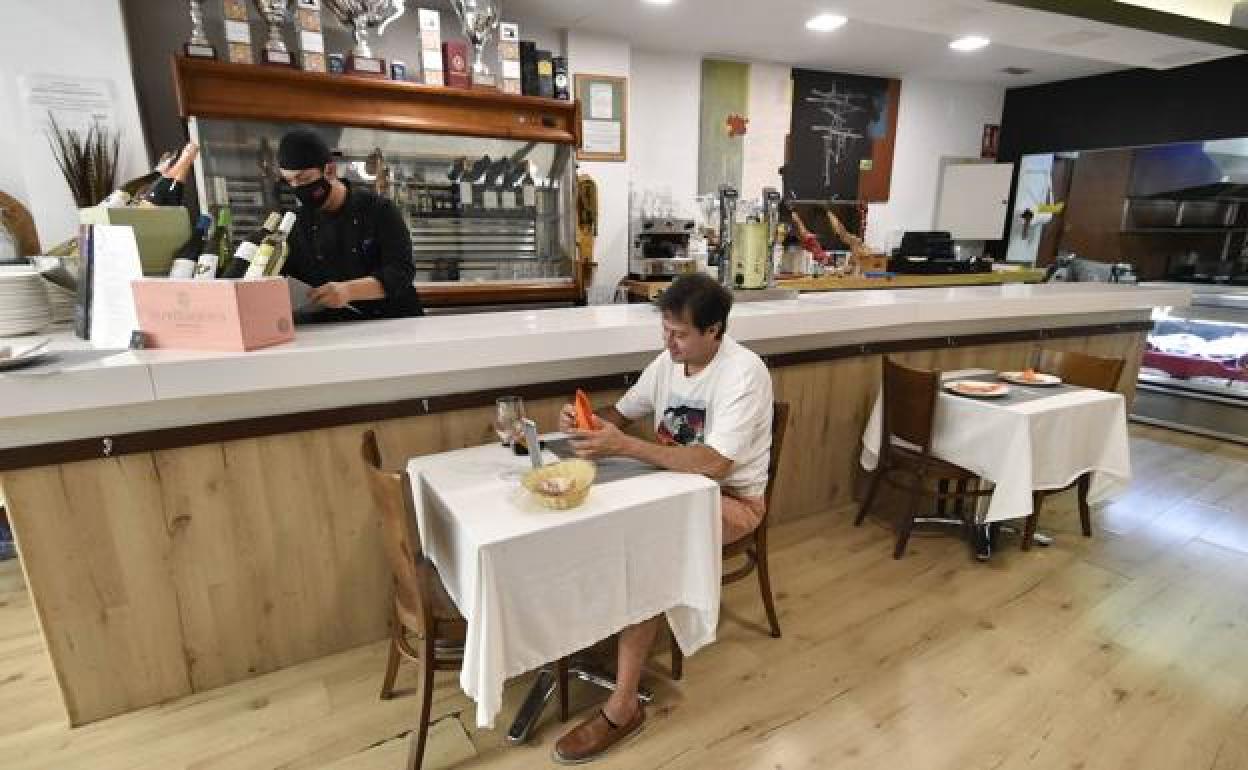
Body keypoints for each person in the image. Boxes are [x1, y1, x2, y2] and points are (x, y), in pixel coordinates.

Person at [552, 272, 774, 764]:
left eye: (680, 334)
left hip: (731, 499)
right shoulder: (669, 360)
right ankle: (607, 633)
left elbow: (717, 463)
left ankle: (624, 705)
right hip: (669, 487)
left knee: (648, 544)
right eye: (665, 330)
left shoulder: (745, 372)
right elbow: (623, 414)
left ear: (714, 330)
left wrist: (625, 446)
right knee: (588, 514)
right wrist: (585, 421)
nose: (669, 343)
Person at [275, 129, 423, 321]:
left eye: (304, 179)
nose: (297, 188)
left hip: (391, 323)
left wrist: (348, 291)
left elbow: (401, 272)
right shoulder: (294, 223)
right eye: (290, 181)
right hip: (333, 330)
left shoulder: (378, 210)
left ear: (330, 171)